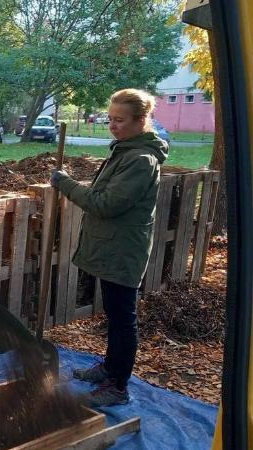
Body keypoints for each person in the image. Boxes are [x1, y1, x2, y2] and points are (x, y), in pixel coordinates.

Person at [50, 88, 168, 407]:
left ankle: (118, 387)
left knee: (123, 319)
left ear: (141, 121)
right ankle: (110, 368)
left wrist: (65, 184)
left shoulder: (141, 160)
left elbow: (105, 204)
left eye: (120, 120)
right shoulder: (125, 151)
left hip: (123, 251)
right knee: (115, 316)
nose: (113, 126)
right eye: (110, 119)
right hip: (113, 247)